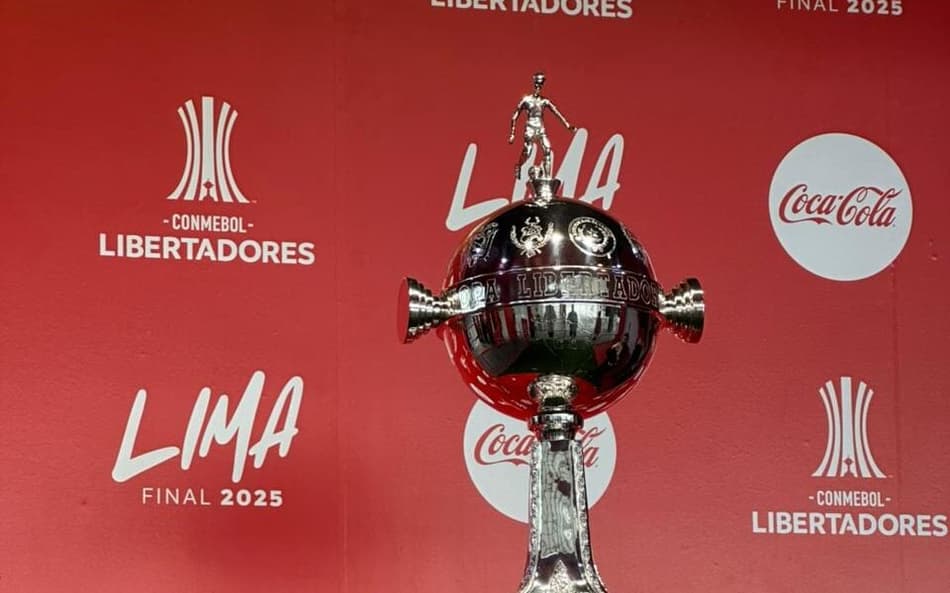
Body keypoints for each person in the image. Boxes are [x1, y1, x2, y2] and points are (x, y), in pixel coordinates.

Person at [508, 72, 576, 179]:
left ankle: (548, 178)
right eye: (536, 85)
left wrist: (567, 125)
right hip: (530, 128)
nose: (538, 87)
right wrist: (512, 133)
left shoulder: (544, 101)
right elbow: (515, 115)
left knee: (547, 149)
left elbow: (557, 113)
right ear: (534, 85)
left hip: (540, 128)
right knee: (528, 151)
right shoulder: (526, 100)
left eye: (540, 85)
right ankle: (519, 166)